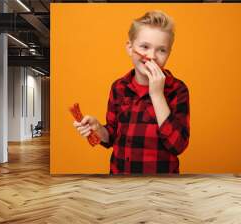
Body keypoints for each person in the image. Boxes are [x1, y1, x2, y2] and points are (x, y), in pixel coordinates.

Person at [73, 10, 190, 174]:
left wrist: (157, 95)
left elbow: (178, 145)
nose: (152, 56)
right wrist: (99, 129)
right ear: (130, 47)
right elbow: (112, 137)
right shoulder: (118, 88)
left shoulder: (177, 89)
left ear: (169, 53)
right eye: (144, 46)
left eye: (161, 50)